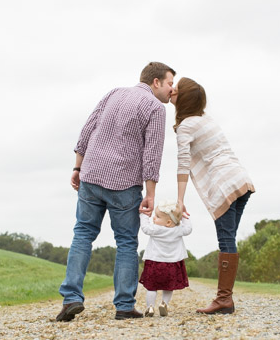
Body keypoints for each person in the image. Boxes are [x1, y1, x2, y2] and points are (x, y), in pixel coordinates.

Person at [56, 61, 176, 322]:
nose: (172, 90)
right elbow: (152, 153)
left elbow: (87, 130)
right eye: (170, 83)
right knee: (126, 242)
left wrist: (77, 168)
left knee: (83, 234)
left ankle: (71, 298)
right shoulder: (155, 108)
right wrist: (151, 194)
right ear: (156, 82)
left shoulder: (114, 93)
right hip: (124, 183)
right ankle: (123, 305)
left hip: (91, 174)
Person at [170, 77, 255, 315]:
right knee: (230, 239)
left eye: (176, 90)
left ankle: (224, 300)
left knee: (226, 240)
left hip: (224, 184)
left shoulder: (187, 126)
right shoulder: (206, 119)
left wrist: (179, 199)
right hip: (241, 180)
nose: (172, 91)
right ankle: (224, 298)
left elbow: (183, 164)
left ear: (184, 98)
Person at [139, 200, 192, 317]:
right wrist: (184, 216)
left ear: (168, 222)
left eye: (157, 216)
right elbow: (188, 230)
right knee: (168, 287)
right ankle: (164, 304)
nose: (154, 218)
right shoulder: (178, 230)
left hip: (154, 263)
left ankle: (150, 307)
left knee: (151, 287)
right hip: (172, 264)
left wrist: (144, 215)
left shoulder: (155, 229)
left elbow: (145, 228)